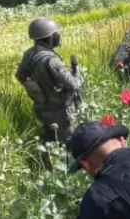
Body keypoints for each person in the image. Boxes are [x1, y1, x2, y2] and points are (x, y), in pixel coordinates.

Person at [16, 18, 82, 168]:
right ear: (49, 37)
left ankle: (46, 167)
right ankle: (70, 171)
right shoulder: (52, 60)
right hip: (59, 109)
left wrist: (38, 88)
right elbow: (73, 85)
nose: (58, 36)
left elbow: (20, 76)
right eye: (55, 34)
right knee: (68, 143)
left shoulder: (30, 54)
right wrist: (78, 76)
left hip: (41, 107)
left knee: (49, 137)